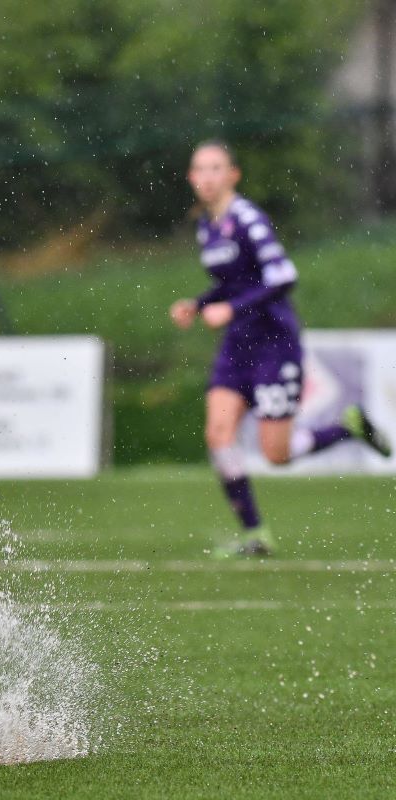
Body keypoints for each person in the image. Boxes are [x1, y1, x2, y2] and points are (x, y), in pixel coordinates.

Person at [171, 140, 391, 557]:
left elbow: (283, 276)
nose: (207, 176)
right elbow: (232, 283)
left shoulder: (248, 219)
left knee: (277, 455)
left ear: (232, 175)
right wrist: (197, 304)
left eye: (216, 168)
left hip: (274, 343)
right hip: (238, 344)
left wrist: (229, 308)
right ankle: (256, 535)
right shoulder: (207, 226)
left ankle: (347, 427)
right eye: (200, 169)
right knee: (218, 433)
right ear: (191, 179)